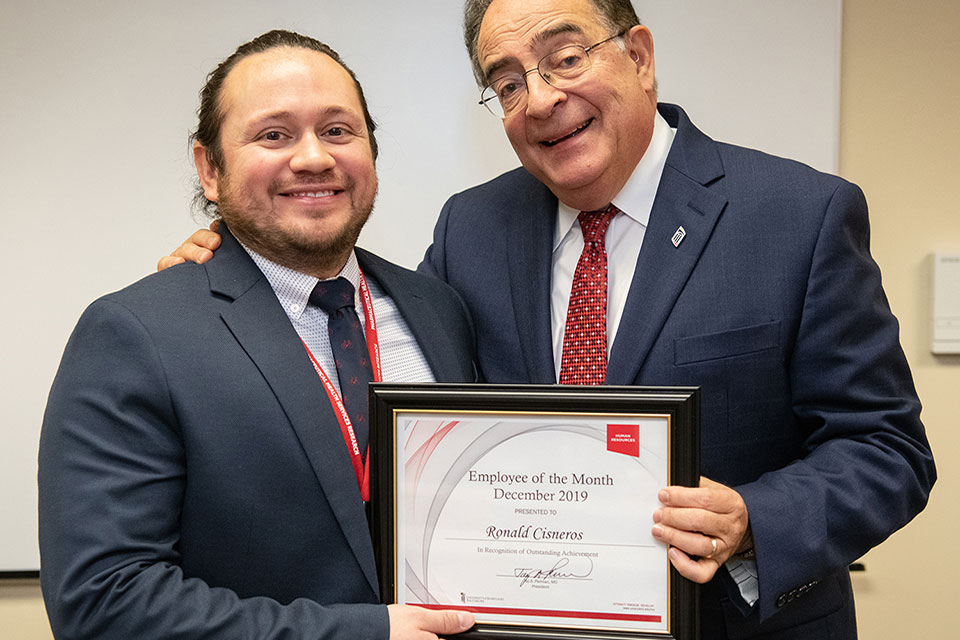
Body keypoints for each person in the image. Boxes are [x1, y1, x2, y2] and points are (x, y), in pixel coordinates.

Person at [161, 2, 936, 638]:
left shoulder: (798, 214)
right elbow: (403, 389)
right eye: (505, 82)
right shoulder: (472, 228)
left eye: (565, 58)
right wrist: (245, 278)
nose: (538, 98)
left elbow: (888, 449)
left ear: (638, 54)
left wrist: (752, 520)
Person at [39, 30, 477, 640]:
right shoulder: (136, 335)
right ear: (209, 168)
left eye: (338, 130)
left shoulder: (439, 310)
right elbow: (104, 603)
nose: (314, 158)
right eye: (274, 134)